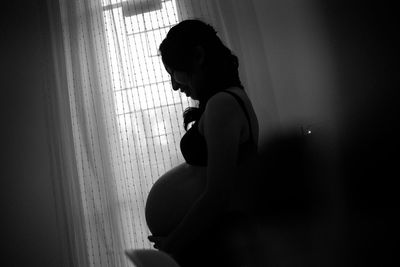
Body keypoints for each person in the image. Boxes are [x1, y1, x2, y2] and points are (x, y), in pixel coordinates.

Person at [145, 19, 260, 266]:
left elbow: (218, 195)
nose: (175, 85)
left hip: (218, 243)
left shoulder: (223, 104)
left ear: (197, 56)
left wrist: (172, 243)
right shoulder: (225, 101)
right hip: (213, 239)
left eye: (174, 72)